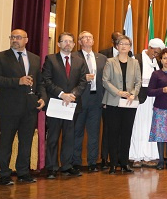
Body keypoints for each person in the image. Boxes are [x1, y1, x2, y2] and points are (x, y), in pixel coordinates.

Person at [0, 29, 47, 185]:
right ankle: (4, 174)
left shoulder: (35, 59)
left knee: (26, 142)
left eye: (18, 37)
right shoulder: (0, 57)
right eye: (12, 37)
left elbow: (40, 82)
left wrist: (43, 98)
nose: (14, 40)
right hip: (9, 108)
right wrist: (18, 81)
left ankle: (23, 172)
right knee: (6, 142)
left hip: (30, 108)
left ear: (26, 40)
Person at [42, 32, 88, 179]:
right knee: (53, 137)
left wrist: (73, 94)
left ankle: (66, 166)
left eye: (70, 41)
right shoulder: (50, 59)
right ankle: (51, 168)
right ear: (59, 44)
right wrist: (62, 94)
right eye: (64, 41)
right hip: (56, 103)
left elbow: (82, 81)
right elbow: (46, 80)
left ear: (74, 44)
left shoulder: (80, 61)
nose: (68, 44)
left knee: (70, 137)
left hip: (72, 104)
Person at [102, 35, 141, 174]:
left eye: (126, 44)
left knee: (126, 133)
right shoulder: (110, 62)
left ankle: (124, 163)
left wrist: (133, 94)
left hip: (129, 102)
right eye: (121, 43)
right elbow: (105, 81)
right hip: (113, 102)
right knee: (113, 133)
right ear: (117, 46)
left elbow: (138, 81)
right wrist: (118, 92)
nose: (124, 46)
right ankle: (113, 163)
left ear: (130, 47)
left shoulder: (135, 63)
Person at [72, 31, 107, 172]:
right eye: (84, 37)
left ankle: (93, 162)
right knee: (77, 132)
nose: (87, 39)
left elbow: (106, 80)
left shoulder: (102, 58)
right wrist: (82, 78)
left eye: (90, 37)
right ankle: (76, 162)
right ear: (79, 42)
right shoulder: (74, 57)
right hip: (79, 99)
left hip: (96, 99)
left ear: (93, 41)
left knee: (94, 132)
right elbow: (69, 78)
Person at [130, 38, 164, 168]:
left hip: (154, 99)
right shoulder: (136, 59)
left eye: (158, 54)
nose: (155, 55)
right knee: (138, 126)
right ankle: (136, 156)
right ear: (149, 48)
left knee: (150, 127)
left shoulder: (157, 62)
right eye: (154, 52)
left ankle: (149, 156)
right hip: (140, 98)